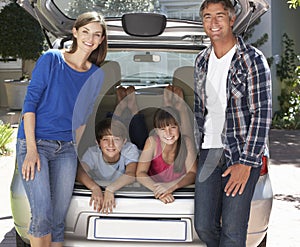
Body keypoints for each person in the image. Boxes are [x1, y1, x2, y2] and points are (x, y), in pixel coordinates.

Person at [16, 12, 108, 247]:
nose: (90, 38)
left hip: (66, 149)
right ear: (75, 32)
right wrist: (32, 150)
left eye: (96, 34)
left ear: (101, 40)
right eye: (86, 31)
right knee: (42, 214)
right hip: (36, 143)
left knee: (58, 219)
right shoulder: (51, 59)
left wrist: (76, 153)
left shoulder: (96, 75)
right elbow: (30, 105)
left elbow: (83, 118)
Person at [193, 1, 272, 246]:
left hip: (240, 153)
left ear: (231, 18)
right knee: (204, 225)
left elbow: (262, 114)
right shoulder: (201, 60)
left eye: (219, 16)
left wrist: (246, 164)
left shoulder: (252, 60)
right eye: (207, 17)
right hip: (208, 152)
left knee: (233, 230)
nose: (213, 23)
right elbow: (200, 110)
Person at [136, 86, 197, 204]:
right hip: (154, 192)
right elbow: (140, 173)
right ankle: (169, 104)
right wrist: (159, 191)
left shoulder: (186, 142)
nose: (168, 133)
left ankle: (178, 107)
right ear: (156, 131)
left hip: (179, 192)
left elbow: (192, 174)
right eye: (162, 129)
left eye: (173, 127)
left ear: (180, 127)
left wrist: (171, 186)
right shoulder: (152, 142)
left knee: (185, 139)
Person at [76, 118, 139, 214]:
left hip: (121, 190)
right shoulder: (93, 153)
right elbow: (80, 172)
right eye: (105, 139)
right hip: (100, 186)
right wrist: (95, 188)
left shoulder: (130, 149)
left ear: (124, 141)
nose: (111, 144)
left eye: (116, 139)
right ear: (98, 143)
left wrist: (110, 189)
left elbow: (131, 174)